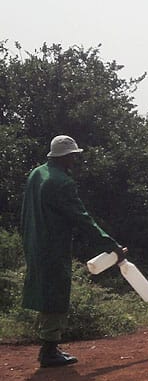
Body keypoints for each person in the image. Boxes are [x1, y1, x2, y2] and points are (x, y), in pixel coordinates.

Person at [21, 135, 126, 368]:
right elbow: (82, 219)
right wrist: (111, 245)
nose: (75, 161)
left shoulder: (37, 173)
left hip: (34, 241)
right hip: (53, 245)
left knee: (45, 289)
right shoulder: (62, 183)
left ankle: (49, 344)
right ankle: (49, 349)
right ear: (66, 157)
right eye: (74, 156)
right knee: (56, 292)